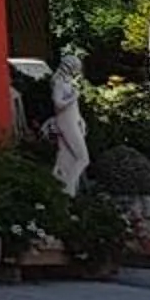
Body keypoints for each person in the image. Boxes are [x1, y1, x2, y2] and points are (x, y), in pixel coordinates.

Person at [46, 47, 91, 195]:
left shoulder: (66, 83)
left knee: (65, 157)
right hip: (65, 122)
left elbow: (73, 108)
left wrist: (80, 120)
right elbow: (58, 103)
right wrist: (74, 97)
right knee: (83, 158)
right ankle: (69, 189)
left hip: (72, 122)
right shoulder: (59, 83)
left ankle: (59, 185)